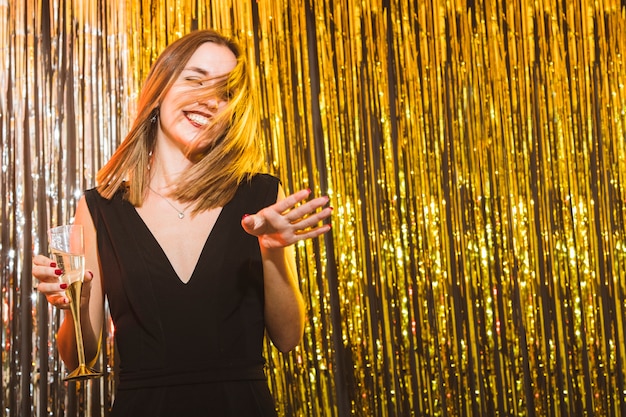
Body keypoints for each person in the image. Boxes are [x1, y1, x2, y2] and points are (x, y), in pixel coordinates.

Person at [32, 29, 332, 416]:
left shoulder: (260, 197)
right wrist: (76, 298)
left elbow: (288, 338)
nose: (209, 100)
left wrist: (271, 253)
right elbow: (78, 360)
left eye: (225, 92)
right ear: (159, 89)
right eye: (195, 79)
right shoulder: (98, 208)